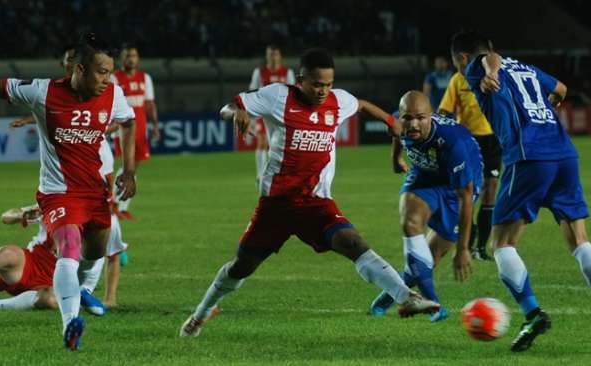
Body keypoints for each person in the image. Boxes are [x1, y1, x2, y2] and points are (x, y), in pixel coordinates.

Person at [180, 48, 440, 338]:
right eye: (317, 84)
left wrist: (390, 121)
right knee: (242, 266)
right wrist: (237, 112)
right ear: (301, 79)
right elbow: (227, 106)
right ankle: (202, 312)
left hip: (316, 203)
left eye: (328, 84)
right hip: (276, 205)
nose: (322, 91)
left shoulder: (337, 101)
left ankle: (405, 297)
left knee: (353, 242)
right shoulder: (278, 96)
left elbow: (362, 104)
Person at [453, 30, 591, 351]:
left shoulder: (476, 64)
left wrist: (487, 71)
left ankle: (533, 313)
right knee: (579, 241)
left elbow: (489, 58)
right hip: (564, 154)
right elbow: (560, 88)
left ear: (461, 58)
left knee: (502, 245)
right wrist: (549, 107)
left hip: (527, 157)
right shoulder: (526, 69)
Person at [0, 33, 137, 351]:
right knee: (68, 246)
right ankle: (70, 324)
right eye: (101, 71)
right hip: (59, 193)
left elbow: (129, 123)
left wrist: (130, 170)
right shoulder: (44, 91)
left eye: (110, 72)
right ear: (78, 70)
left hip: (94, 194)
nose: (107, 79)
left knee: (92, 253)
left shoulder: (114, 95)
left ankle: (74, 291)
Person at [7, 44, 130, 309]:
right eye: (65, 62)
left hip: (96, 174)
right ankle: (77, 296)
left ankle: (86, 285)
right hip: (66, 188)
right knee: (73, 240)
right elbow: (59, 113)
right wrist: (32, 120)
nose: (67, 65)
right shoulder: (54, 92)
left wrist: (101, 132)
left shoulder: (105, 89)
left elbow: (117, 119)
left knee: (101, 233)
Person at [369, 91, 483, 322]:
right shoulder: (400, 123)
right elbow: (396, 133)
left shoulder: (453, 142)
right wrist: (396, 158)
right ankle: (434, 306)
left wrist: (463, 249)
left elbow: (466, 196)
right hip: (424, 176)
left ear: (431, 116)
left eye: (420, 118)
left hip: (457, 187)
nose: (413, 124)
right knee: (410, 223)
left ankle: (389, 295)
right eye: (407, 118)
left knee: (426, 261)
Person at [439, 55, 502, 261]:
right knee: (467, 193)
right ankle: (467, 242)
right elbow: (444, 110)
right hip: (467, 141)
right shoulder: (458, 79)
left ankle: (481, 248)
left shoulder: (494, 76)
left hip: (493, 139)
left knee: (490, 190)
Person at [111, 44, 160, 220]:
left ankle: (120, 206)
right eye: (127, 55)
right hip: (123, 128)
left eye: (133, 55)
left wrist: (155, 125)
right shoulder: (114, 78)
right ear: (121, 58)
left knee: (133, 167)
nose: (130, 59)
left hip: (140, 128)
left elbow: (149, 103)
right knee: (126, 166)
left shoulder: (145, 78)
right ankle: (115, 204)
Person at [248, 45, 296, 188]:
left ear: (280, 56)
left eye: (275, 54)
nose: (272, 57)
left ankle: (280, 174)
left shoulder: (287, 72)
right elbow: (252, 92)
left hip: (281, 114)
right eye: (270, 54)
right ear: (266, 56)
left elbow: (293, 93)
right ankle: (260, 175)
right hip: (263, 113)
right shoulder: (260, 72)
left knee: (280, 145)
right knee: (262, 141)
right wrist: (250, 115)